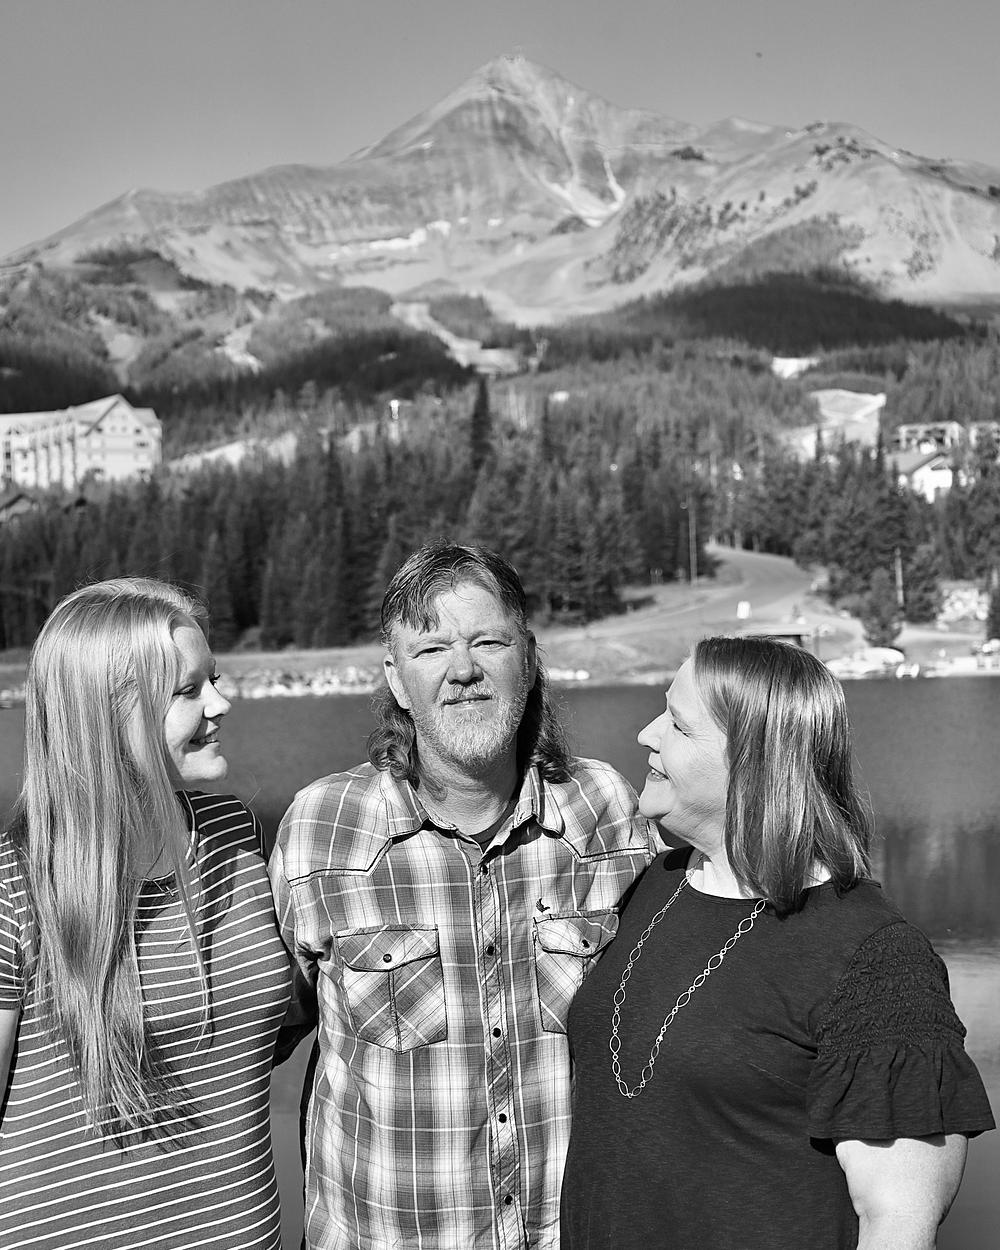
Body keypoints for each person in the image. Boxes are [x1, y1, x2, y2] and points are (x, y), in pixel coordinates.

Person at [271, 542, 655, 1250]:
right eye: (431, 650)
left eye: (488, 642)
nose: (464, 670)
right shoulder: (323, 827)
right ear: (395, 677)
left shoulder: (606, 810)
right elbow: (262, 1032)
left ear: (529, 659)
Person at [560, 635, 995, 1250]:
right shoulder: (655, 884)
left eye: (679, 726)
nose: (646, 735)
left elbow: (897, 1221)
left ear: (756, 761)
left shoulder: (876, 960)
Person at [0, 578, 292, 1250]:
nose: (221, 703)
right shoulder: (14, 883)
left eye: (214, 678)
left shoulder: (235, 834)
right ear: (107, 715)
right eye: (188, 690)